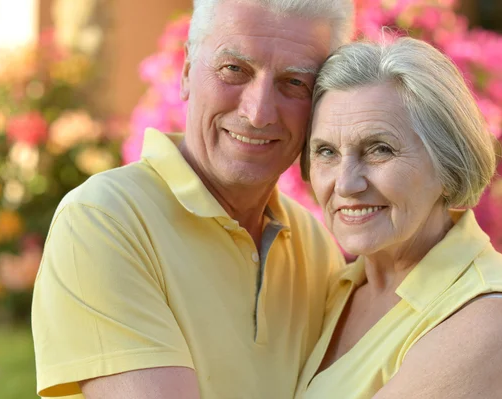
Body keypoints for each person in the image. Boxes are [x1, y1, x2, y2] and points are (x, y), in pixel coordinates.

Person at [31, 0, 352, 398]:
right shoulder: (103, 219)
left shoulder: (314, 244)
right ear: (186, 72)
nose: (258, 113)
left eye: (294, 83)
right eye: (234, 70)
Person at [295, 37, 502, 399]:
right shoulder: (338, 289)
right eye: (326, 152)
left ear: (448, 165)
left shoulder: (490, 321)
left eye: (380, 149)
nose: (346, 183)